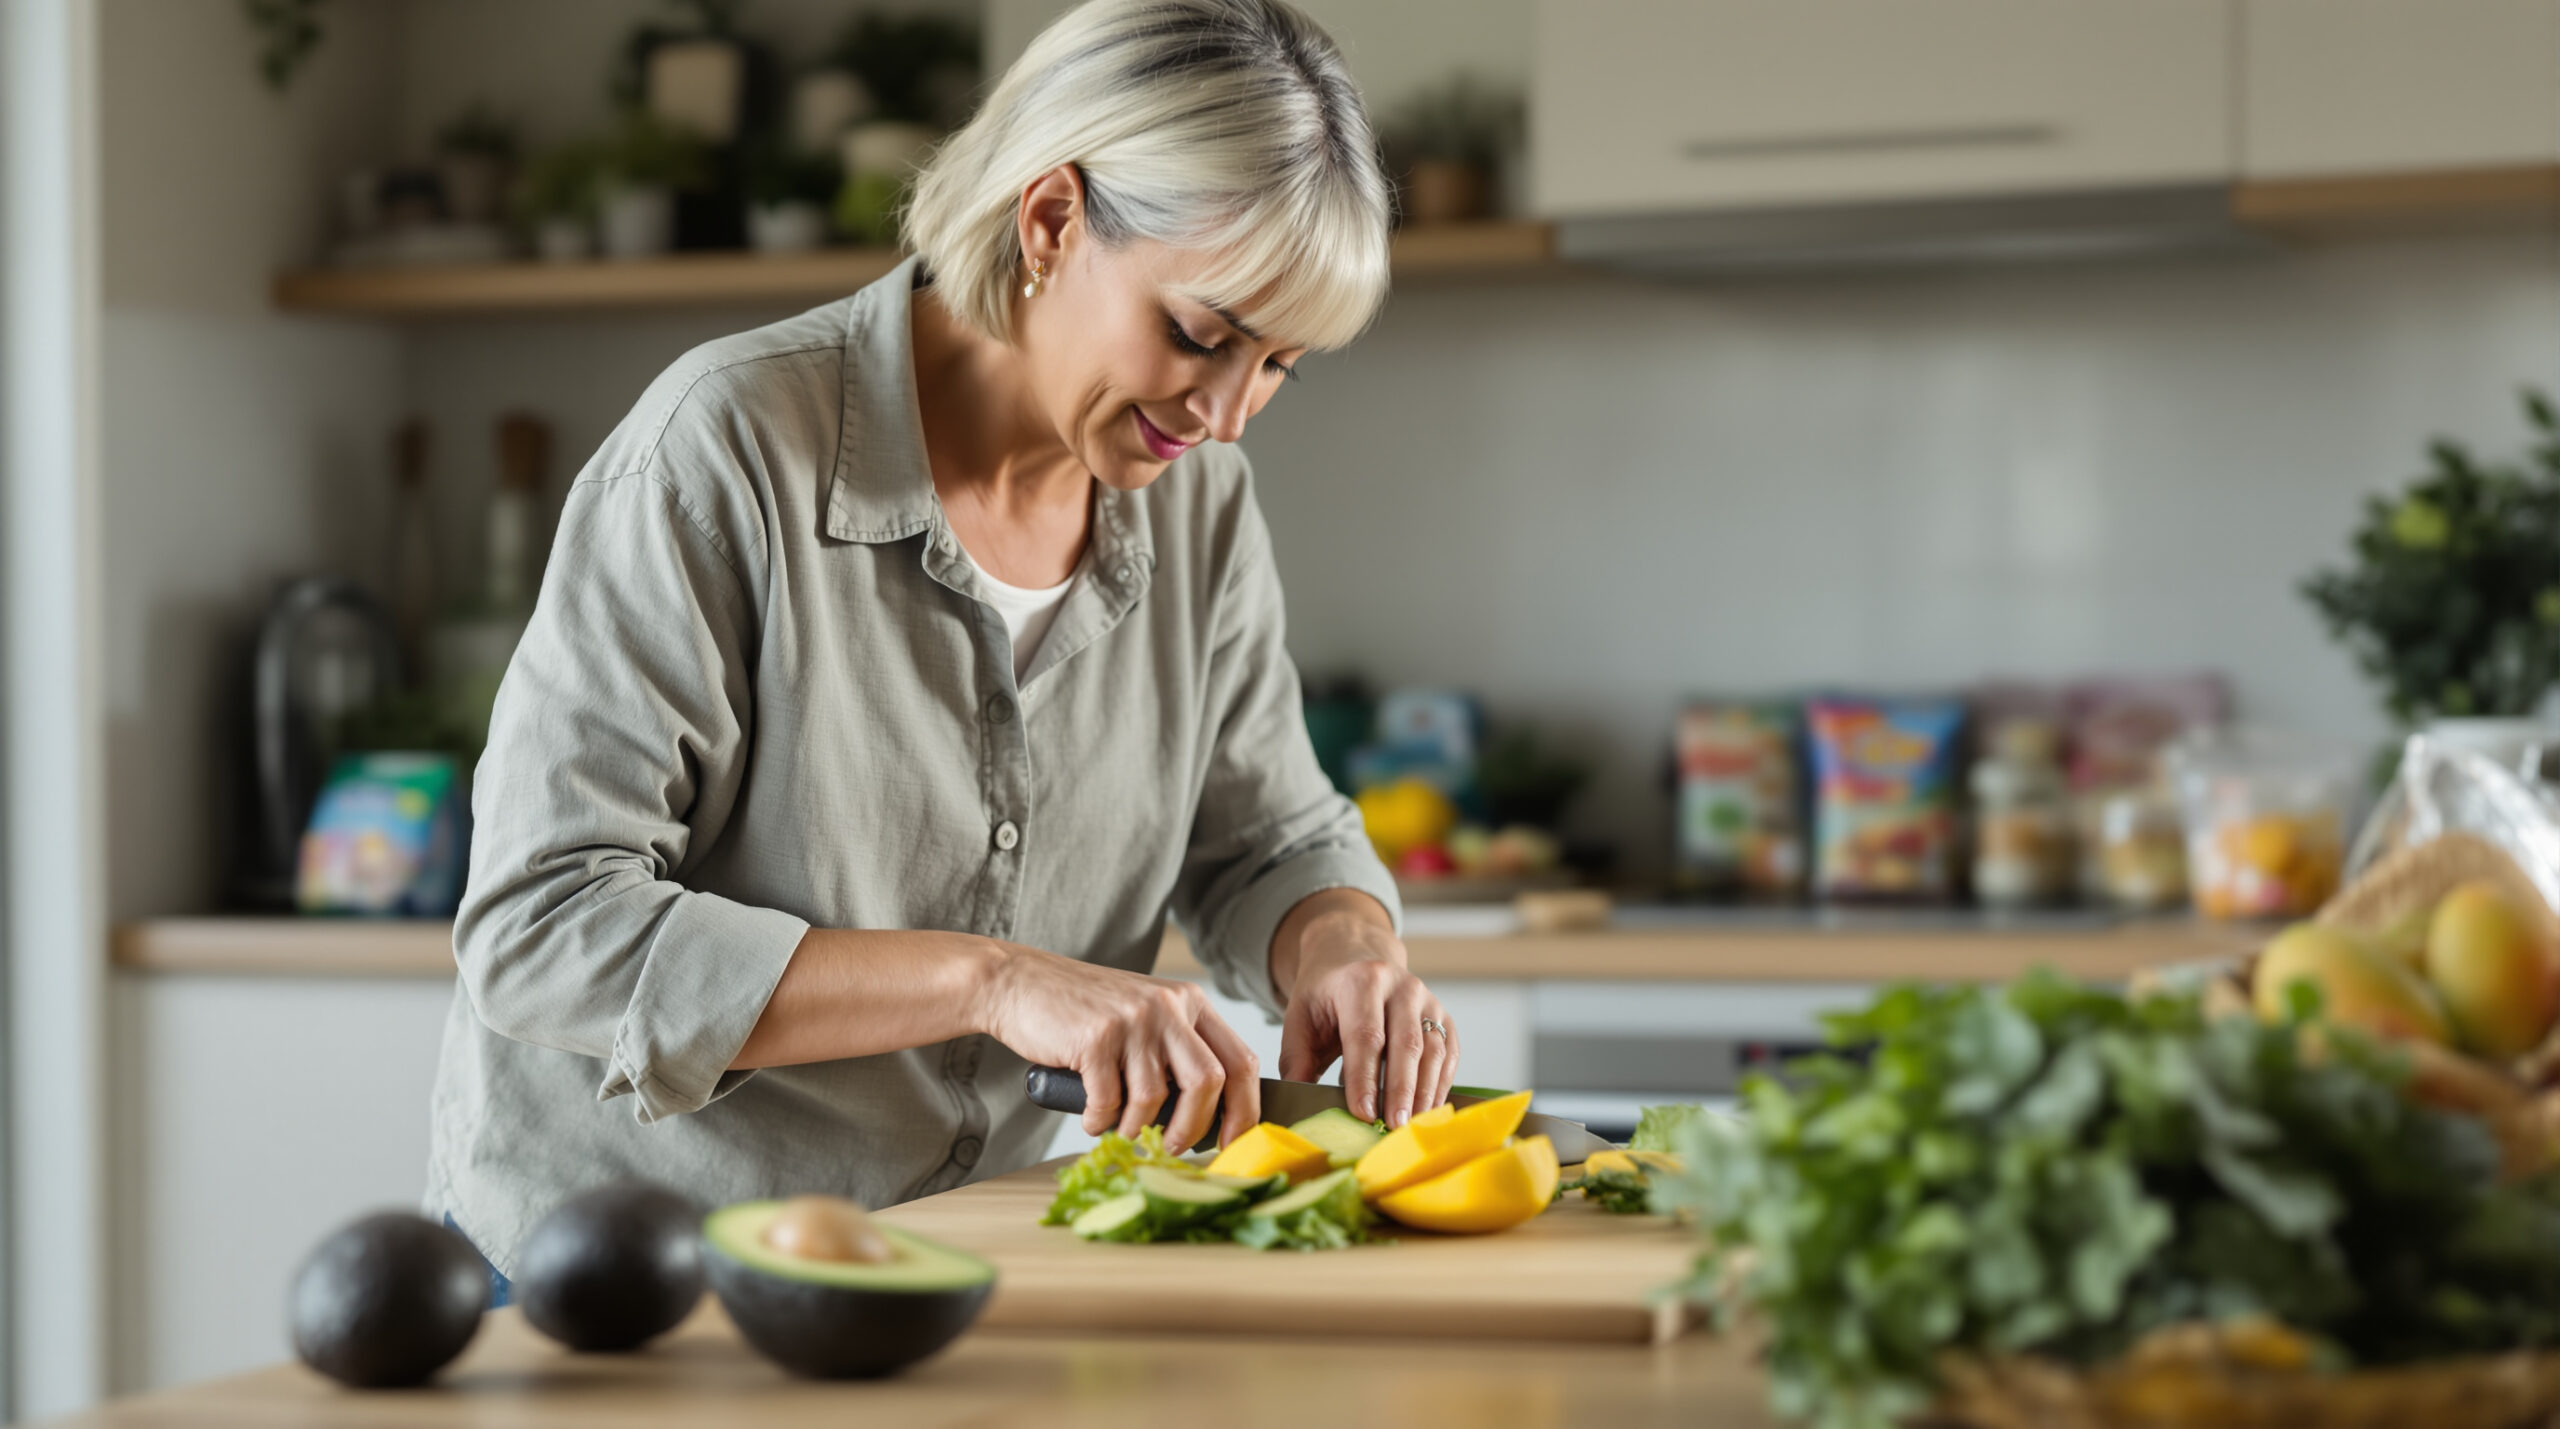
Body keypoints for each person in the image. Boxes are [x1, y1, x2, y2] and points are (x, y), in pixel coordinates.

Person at [425, 0, 1459, 1281]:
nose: (1229, 415)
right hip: (638, 1283)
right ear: (1050, 220)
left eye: (1279, 367)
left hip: (973, 1277)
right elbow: (542, 926)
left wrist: (1344, 947)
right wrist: (993, 981)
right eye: (1202, 336)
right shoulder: (726, 450)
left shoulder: (1195, 500)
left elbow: (1269, 837)